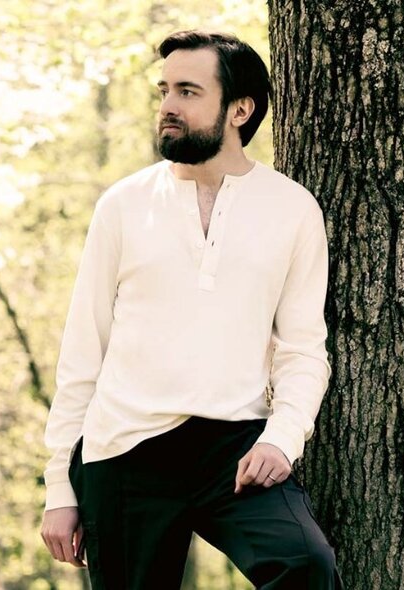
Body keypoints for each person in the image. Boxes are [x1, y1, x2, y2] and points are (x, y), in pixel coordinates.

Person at [40, 30, 343, 589]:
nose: (167, 108)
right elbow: (84, 351)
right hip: (124, 449)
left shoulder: (292, 209)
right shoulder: (123, 206)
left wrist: (283, 437)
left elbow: (303, 348)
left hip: (235, 448)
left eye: (187, 91)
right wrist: (60, 485)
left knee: (303, 564)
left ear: (240, 109)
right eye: (164, 91)